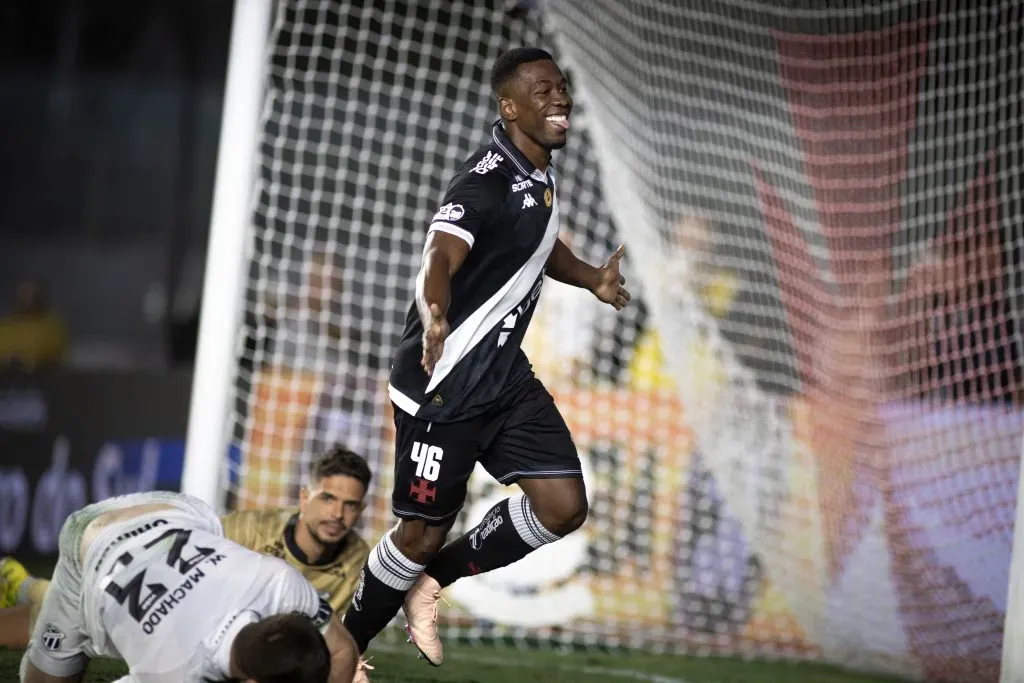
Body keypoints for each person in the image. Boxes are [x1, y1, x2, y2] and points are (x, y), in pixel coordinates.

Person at [341, 47, 630, 680]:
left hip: (504, 379)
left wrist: (591, 279)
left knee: (563, 507)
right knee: (418, 535)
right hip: (443, 385)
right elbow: (439, 254)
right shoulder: (484, 180)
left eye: (561, 87)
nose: (559, 98)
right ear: (510, 107)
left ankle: (430, 583)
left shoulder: (537, 173)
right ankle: (341, 648)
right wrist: (435, 311)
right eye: (542, 90)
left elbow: (537, 244)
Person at [0, 445, 372, 649]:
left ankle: (25, 585)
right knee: (84, 615)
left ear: (362, 509)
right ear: (305, 498)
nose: (337, 514)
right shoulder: (249, 531)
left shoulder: (362, 563)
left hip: (246, 646)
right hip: (181, 612)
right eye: (328, 499)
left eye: (350, 505)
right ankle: (27, 587)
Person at [17, 491, 358, 683]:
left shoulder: (279, 583)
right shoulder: (172, 672)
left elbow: (342, 651)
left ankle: (33, 593)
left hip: (172, 510)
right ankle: (31, 594)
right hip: (91, 540)